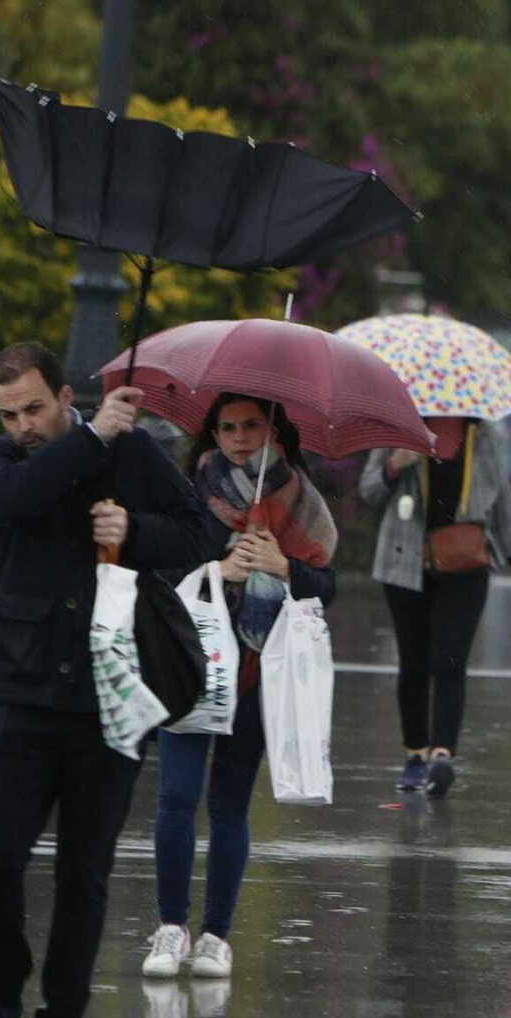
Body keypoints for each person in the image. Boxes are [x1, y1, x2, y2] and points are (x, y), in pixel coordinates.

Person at [0, 341, 211, 1018]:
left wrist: (132, 532)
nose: (23, 425)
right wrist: (89, 436)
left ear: (64, 393)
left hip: (110, 694)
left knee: (85, 873)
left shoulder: (129, 453)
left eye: (36, 408)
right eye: (10, 413)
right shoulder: (2, 459)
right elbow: (16, 498)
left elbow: (201, 532)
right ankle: (0, 1003)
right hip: (24, 690)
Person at [141, 394, 337, 981]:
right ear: (213, 434)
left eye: (252, 425)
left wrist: (284, 568)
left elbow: (326, 586)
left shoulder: (301, 498)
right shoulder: (188, 492)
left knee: (228, 804)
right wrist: (216, 570)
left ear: (274, 429)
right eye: (228, 427)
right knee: (175, 798)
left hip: (258, 671)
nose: (239, 437)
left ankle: (215, 937)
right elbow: (155, 570)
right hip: (190, 665)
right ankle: (171, 927)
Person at [359, 417, 511, 797]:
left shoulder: (484, 436)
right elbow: (369, 491)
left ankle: (442, 755)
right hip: (405, 562)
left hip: (466, 561)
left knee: (451, 659)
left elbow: (502, 498)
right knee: (414, 663)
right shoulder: (398, 427)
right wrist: (394, 465)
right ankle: (416, 754)